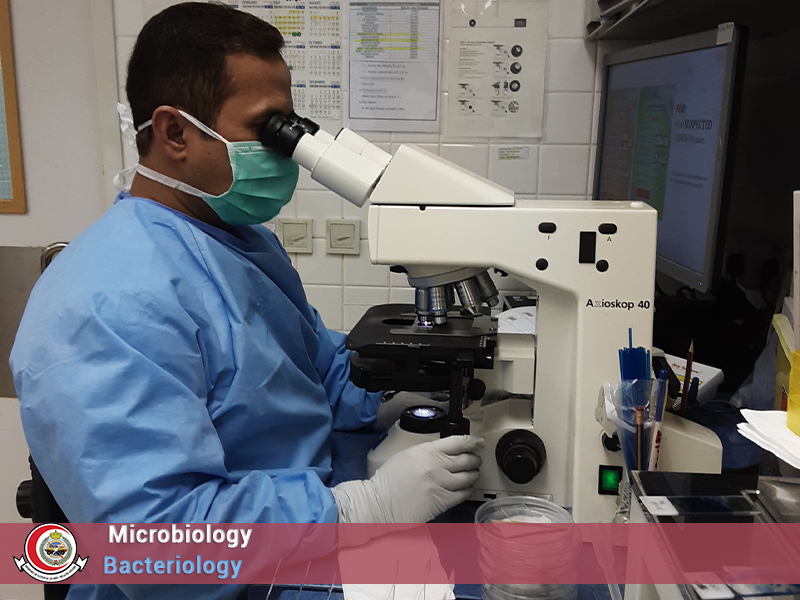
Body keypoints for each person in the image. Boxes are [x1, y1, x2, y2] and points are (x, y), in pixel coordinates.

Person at [10, 3, 482, 599]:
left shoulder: (240, 241)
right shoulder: (105, 302)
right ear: (175, 132)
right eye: (268, 127)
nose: (288, 150)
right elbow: (155, 547)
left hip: (297, 548)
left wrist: (389, 396)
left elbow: (309, 370)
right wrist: (361, 508)